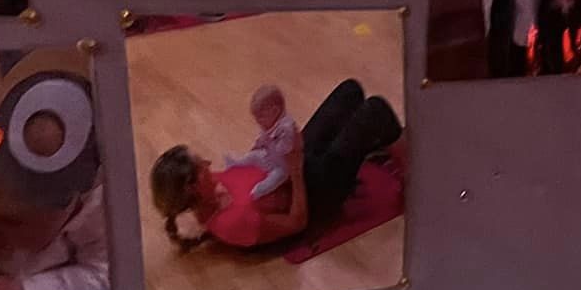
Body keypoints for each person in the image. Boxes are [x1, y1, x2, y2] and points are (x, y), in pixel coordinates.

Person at [147, 79, 400, 250]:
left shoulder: (211, 187)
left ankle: (386, 143)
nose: (208, 162)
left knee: (350, 90)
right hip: (314, 194)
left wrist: (273, 142)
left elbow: (253, 170)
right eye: (200, 166)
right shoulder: (234, 223)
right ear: (193, 187)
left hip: (290, 168)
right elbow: (297, 222)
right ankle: (409, 163)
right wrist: (297, 167)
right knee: (374, 110)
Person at [224, 84, 301, 203]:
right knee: (253, 156)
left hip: (282, 165)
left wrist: (275, 141)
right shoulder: (270, 123)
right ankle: (237, 163)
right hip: (268, 155)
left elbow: (286, 149)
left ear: (275, 111)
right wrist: (259, 144)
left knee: (275, 178)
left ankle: (258, 191)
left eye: (261, 117)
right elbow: (262, 138)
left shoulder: (286, 128)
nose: (258, 121)